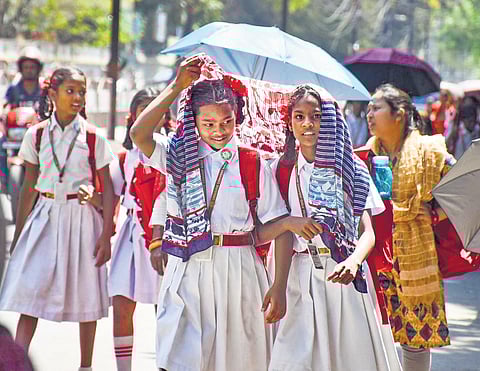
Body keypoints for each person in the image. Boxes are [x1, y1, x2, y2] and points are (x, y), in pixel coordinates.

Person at [130, 55, 319, 371]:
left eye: (227, 122)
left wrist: (279, 286)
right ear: (193, 121)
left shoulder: (251, 161)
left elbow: (278, 226)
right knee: (178, 358)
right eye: (208, 124)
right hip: (187, 268)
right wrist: (177, 86)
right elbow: (139, 134)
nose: (218, 131)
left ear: (238, 118)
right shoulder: (178, 155)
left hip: (239, 271)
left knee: (236, 361)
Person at [268, 84, 401, 371]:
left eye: (315, 116)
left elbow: (368, 232)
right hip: (299, 277)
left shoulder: (350, 167)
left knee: (348, 358)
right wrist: (278, 286)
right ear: (289, 122)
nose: (308, 124)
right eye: (299, 116)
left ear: (327, 119)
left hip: (344, 276)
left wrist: (354, 261)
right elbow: (279, 234)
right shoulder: (280, 169)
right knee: (292, 360)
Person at [0, 66, 115, 371]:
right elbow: (28, 184)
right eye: (70, 91)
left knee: (86, 290)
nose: (77, 97)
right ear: (52, 94)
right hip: (46, 215)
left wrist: (106, 235)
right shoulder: (35, 135)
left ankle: (86, 365)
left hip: (82, 218)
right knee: (30, 289)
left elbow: (110, 188)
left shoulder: (93, 137)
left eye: (82, 91)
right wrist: (22, 231)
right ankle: (19, 358)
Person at [366, 83, 454, 371]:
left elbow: (464, 187)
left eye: (376, 108)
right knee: (374, 330)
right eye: (368, 108)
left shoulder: (431, 151)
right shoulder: (366, 154)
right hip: (377, 253)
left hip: (417, 252)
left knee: (416, 336)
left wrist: (435, 215)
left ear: (399, 114)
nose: (369, 114)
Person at [107, 88, 164, 371]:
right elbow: (111, 193)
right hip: (131, 230)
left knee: (164, 306)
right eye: (143, 109)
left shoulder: (168, 148)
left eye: (155, 108)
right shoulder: (124, 156)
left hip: (161, 233)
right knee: (121, 302)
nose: (148, 115)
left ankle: (166, 363)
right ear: (132, 115)